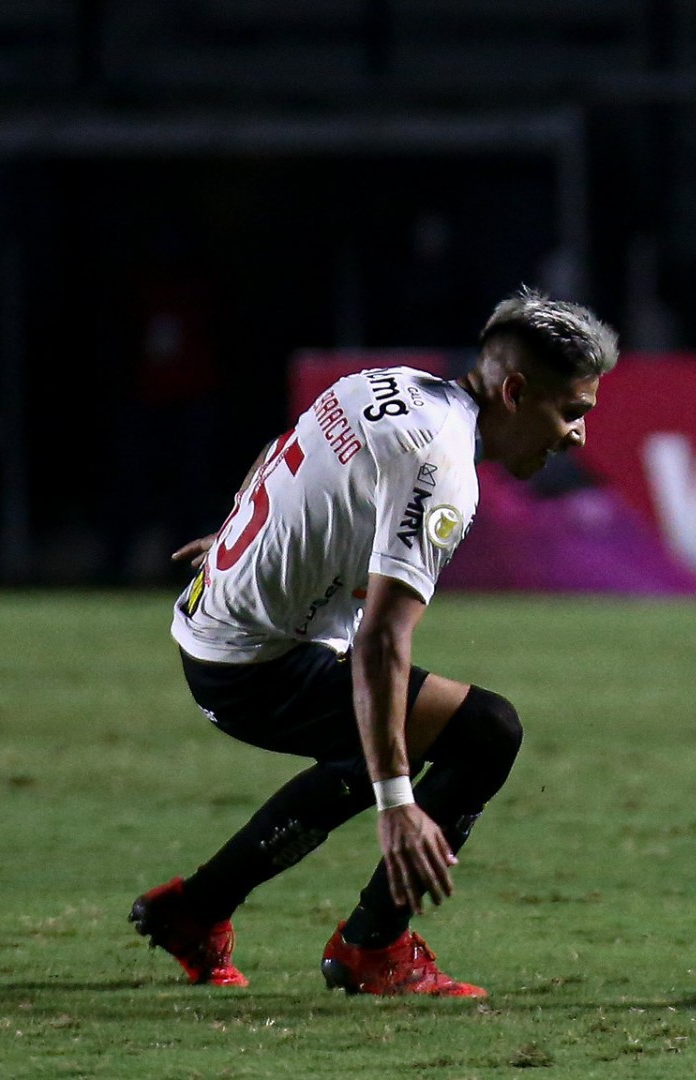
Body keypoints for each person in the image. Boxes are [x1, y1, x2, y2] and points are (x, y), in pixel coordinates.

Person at [131, 287, 618, 996]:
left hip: (223, 632)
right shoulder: (443, 467)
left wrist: (245, 530)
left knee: (381, 735)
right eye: (571, 411)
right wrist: (398, 806)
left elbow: (286, 447)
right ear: (515, 391)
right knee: (485, 731)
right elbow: (384, 642)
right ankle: (374, 948)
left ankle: (198, 909)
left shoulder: (387, 384)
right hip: (256, 666)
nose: (577, 435)